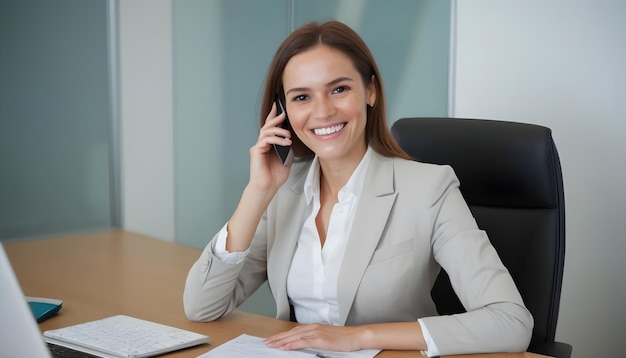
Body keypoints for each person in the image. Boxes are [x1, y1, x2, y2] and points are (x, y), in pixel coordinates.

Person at [183, 20, 533, 356]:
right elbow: (202, 307)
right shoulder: (283, 193)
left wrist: (356, 337)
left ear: (370, 91)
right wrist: (257, 192)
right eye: (301, 97)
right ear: (283, 111)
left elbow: (510, 322)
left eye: (338, 89)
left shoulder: (429, 189)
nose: (322, 112)